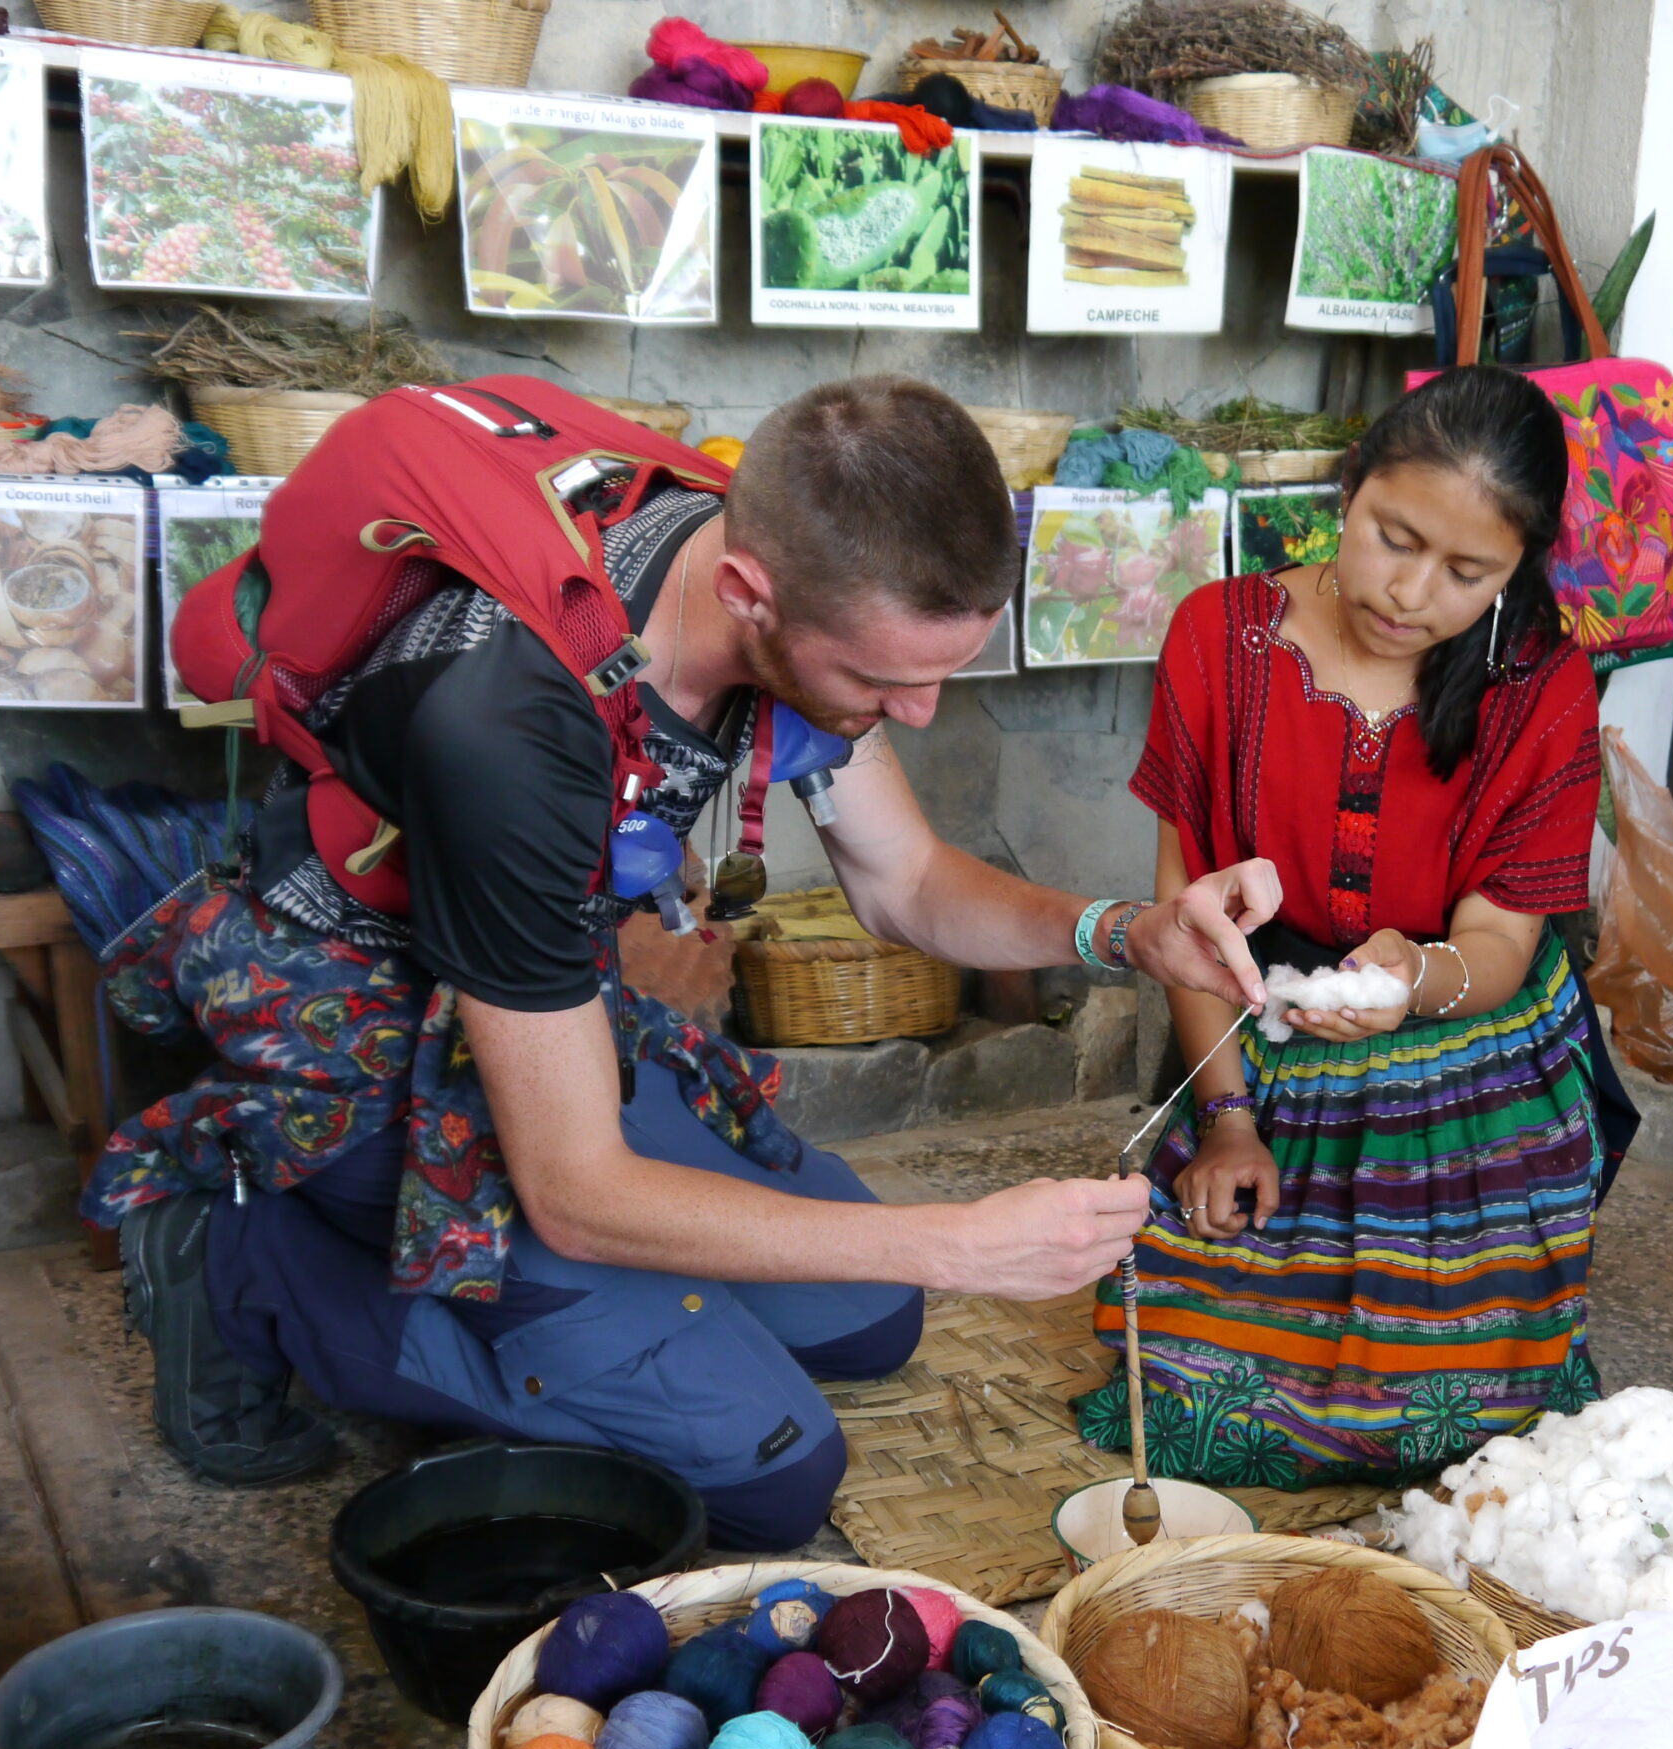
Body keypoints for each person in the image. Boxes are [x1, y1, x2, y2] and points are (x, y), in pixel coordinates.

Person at [91, 375, 1278, 1548]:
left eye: (935, 674)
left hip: (532, 1001)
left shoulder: (775, 566)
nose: (916, 714)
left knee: (870, 1318)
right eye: (881, 681)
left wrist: (1125, 930)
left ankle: (592, 1326)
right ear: (749, 594)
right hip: (360, 1024)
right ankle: (247, 1260)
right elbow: (578, 1194)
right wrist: (956, 1238)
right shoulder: (513, 728)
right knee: (771, 1471)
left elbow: (906, 882)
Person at [1077, 364, 1620, 1492]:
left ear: (1517, 570)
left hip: (1472, 1068)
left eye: (1466, 571)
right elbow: (1190, 925)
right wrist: (1227, 1123)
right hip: (1264, 1041)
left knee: (1461, 1399)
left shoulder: (1544, 690)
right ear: (1349, 487)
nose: (1411, 592)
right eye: (1392, 535)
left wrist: (1412, 976)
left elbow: (1502, 949)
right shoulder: (1217, 640)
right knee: (1189, 1379)